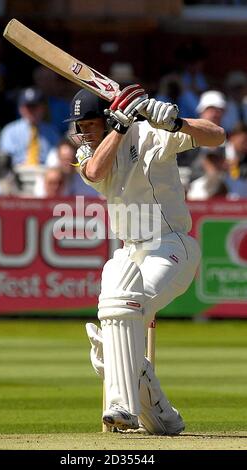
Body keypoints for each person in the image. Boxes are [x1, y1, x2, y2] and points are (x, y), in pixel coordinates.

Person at [67, 86, 225, 434]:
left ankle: (122, 406)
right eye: (81, 126)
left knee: (123, 312)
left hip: (170, 246)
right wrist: (119, 129)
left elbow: (217, 136)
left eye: (91, 125)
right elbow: (94, 173)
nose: (84, 134)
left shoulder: (153, 134)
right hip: (128, 251)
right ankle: (162, 417)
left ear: (106, 120)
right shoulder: (88, 152)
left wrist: (177, 122)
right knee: (113, 325)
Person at [0, 87, 60, 167]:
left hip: (44, 173)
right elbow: (5, 158)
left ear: (43, 108)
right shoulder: (10, 131)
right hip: (18, 173)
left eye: (35, 107)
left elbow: (57, 157)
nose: (31, 111)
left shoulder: (52, 131)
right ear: (20, 109)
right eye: (28, 107)